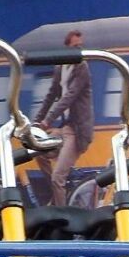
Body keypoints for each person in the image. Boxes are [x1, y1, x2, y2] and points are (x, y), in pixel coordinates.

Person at [34, 30, 93, 207]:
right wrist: (36, 122)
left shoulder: (82, 67)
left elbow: (70, 97)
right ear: (66, 48)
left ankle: (62, 216)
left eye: (81, 46)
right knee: (38, 151)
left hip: (78, 132)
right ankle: (58, 195)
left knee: (57, 177)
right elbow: (51, 95)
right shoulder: (61, 67)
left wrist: (48, 120)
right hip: (65, 129)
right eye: (75, 47)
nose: (79, 50)